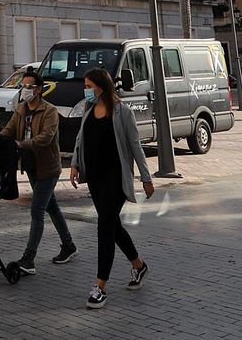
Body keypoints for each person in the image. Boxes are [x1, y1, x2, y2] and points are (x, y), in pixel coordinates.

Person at [68, 68, 154, 309]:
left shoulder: (122, 113)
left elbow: (136, 147)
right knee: (112, 225)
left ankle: (100, 285)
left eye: (88, 85)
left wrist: (146, 179)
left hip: (115, 178)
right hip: (94, 177)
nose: (85, 90)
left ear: (101, 87)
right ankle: (138, 265)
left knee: (104, 226)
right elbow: (80, 139)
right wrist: (75, 164)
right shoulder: (88, 109)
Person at [0, 70, 77, 273]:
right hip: (31, 166)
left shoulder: (49, 111)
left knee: (37, 210)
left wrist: (20, 144)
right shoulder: (21, 109)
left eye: (29, 87)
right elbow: (9, 129)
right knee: (51, 206)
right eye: (23, 86)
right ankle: (68, 245)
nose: (25, 90)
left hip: (48, 167)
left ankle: (29, 258)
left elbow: (46, 137)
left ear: (39, 89)